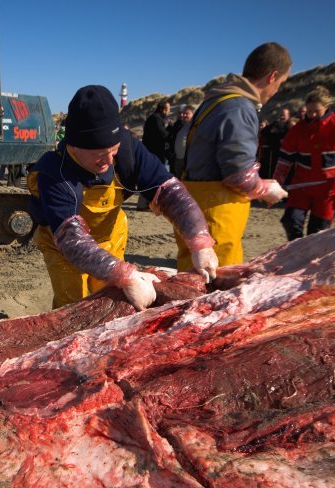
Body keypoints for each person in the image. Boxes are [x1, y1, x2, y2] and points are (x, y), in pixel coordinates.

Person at [28, 85, 218, 310]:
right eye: (99, 155)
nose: (109, 161)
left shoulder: (127, 149)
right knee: (74, 305)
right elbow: (72, 240)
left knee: (112, 302)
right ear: (73, 146)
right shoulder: (55, 172)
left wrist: (199, 241)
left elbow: (170, 192)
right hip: (63, 245)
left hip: (110, 236)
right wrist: (124, 274)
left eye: (113, 151)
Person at [176, 42, 291, 271]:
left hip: (194, 206)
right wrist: (266, 189)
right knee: (214, 289)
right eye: (281, 83)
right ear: (272, 76)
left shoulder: (215, 101)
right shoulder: (239, 108)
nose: (277, 90)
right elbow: (238, 174)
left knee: (190, 281)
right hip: (215, 214)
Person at [271, 86, 335, 240]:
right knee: (291, 220)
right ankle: (295, 248)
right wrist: (275, 184)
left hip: (330, 185)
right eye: (309, 111)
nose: (312, 115)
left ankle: (310, 257)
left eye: (316, 111)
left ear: (327, 107)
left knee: (318, 229)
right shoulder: (299, 129)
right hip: (302, 183)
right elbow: (285, 160)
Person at [170, 105, 195, 178]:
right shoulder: (183, 126)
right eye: (183, 113)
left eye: (187, 113)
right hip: (178, 160)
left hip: (187, 162)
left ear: (193, 114)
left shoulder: (194, 127)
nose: (183, 115)